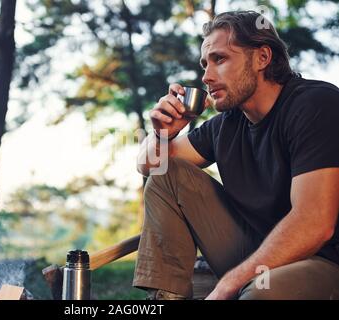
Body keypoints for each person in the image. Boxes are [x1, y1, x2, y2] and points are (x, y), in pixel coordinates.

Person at [133, 10, 339, 300]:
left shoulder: (315, 104)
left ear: (262, 58)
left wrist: (229, 283)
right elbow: (151, 165)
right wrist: (161, 135)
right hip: (255, 254)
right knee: (167, 173)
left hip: (323, 261)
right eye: (205, 64)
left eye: (220, 59)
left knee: (261, 294)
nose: (206, 76)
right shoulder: (226, 124)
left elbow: (315, 223)